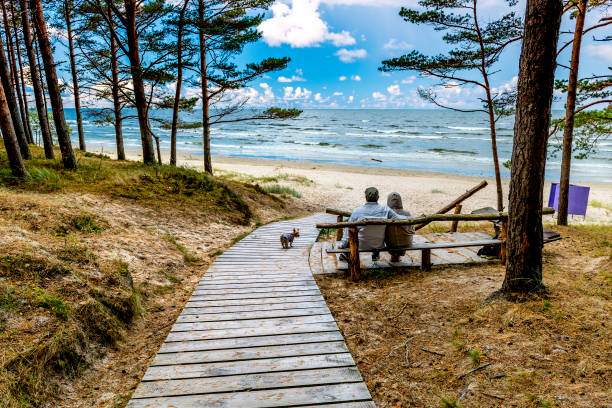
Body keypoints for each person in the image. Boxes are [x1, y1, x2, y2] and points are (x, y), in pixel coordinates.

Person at [339, 187, 405, 261]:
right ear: (378, 197)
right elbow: (399, 218)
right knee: (376, 232)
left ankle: (346, 255)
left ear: (366, 197)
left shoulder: (357, 211)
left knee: (351, 236)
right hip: (379, 245)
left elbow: (348, 229)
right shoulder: (385, 209)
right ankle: (375, 255)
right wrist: (410, 218)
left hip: (361, 245)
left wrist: (342, 245)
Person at [385, 192, 414, 262]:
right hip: (406, 243)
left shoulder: (385, 213)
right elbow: (412, 229)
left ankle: (393, 255)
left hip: (390, 243)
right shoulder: (407, 213)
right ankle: (398, 256)